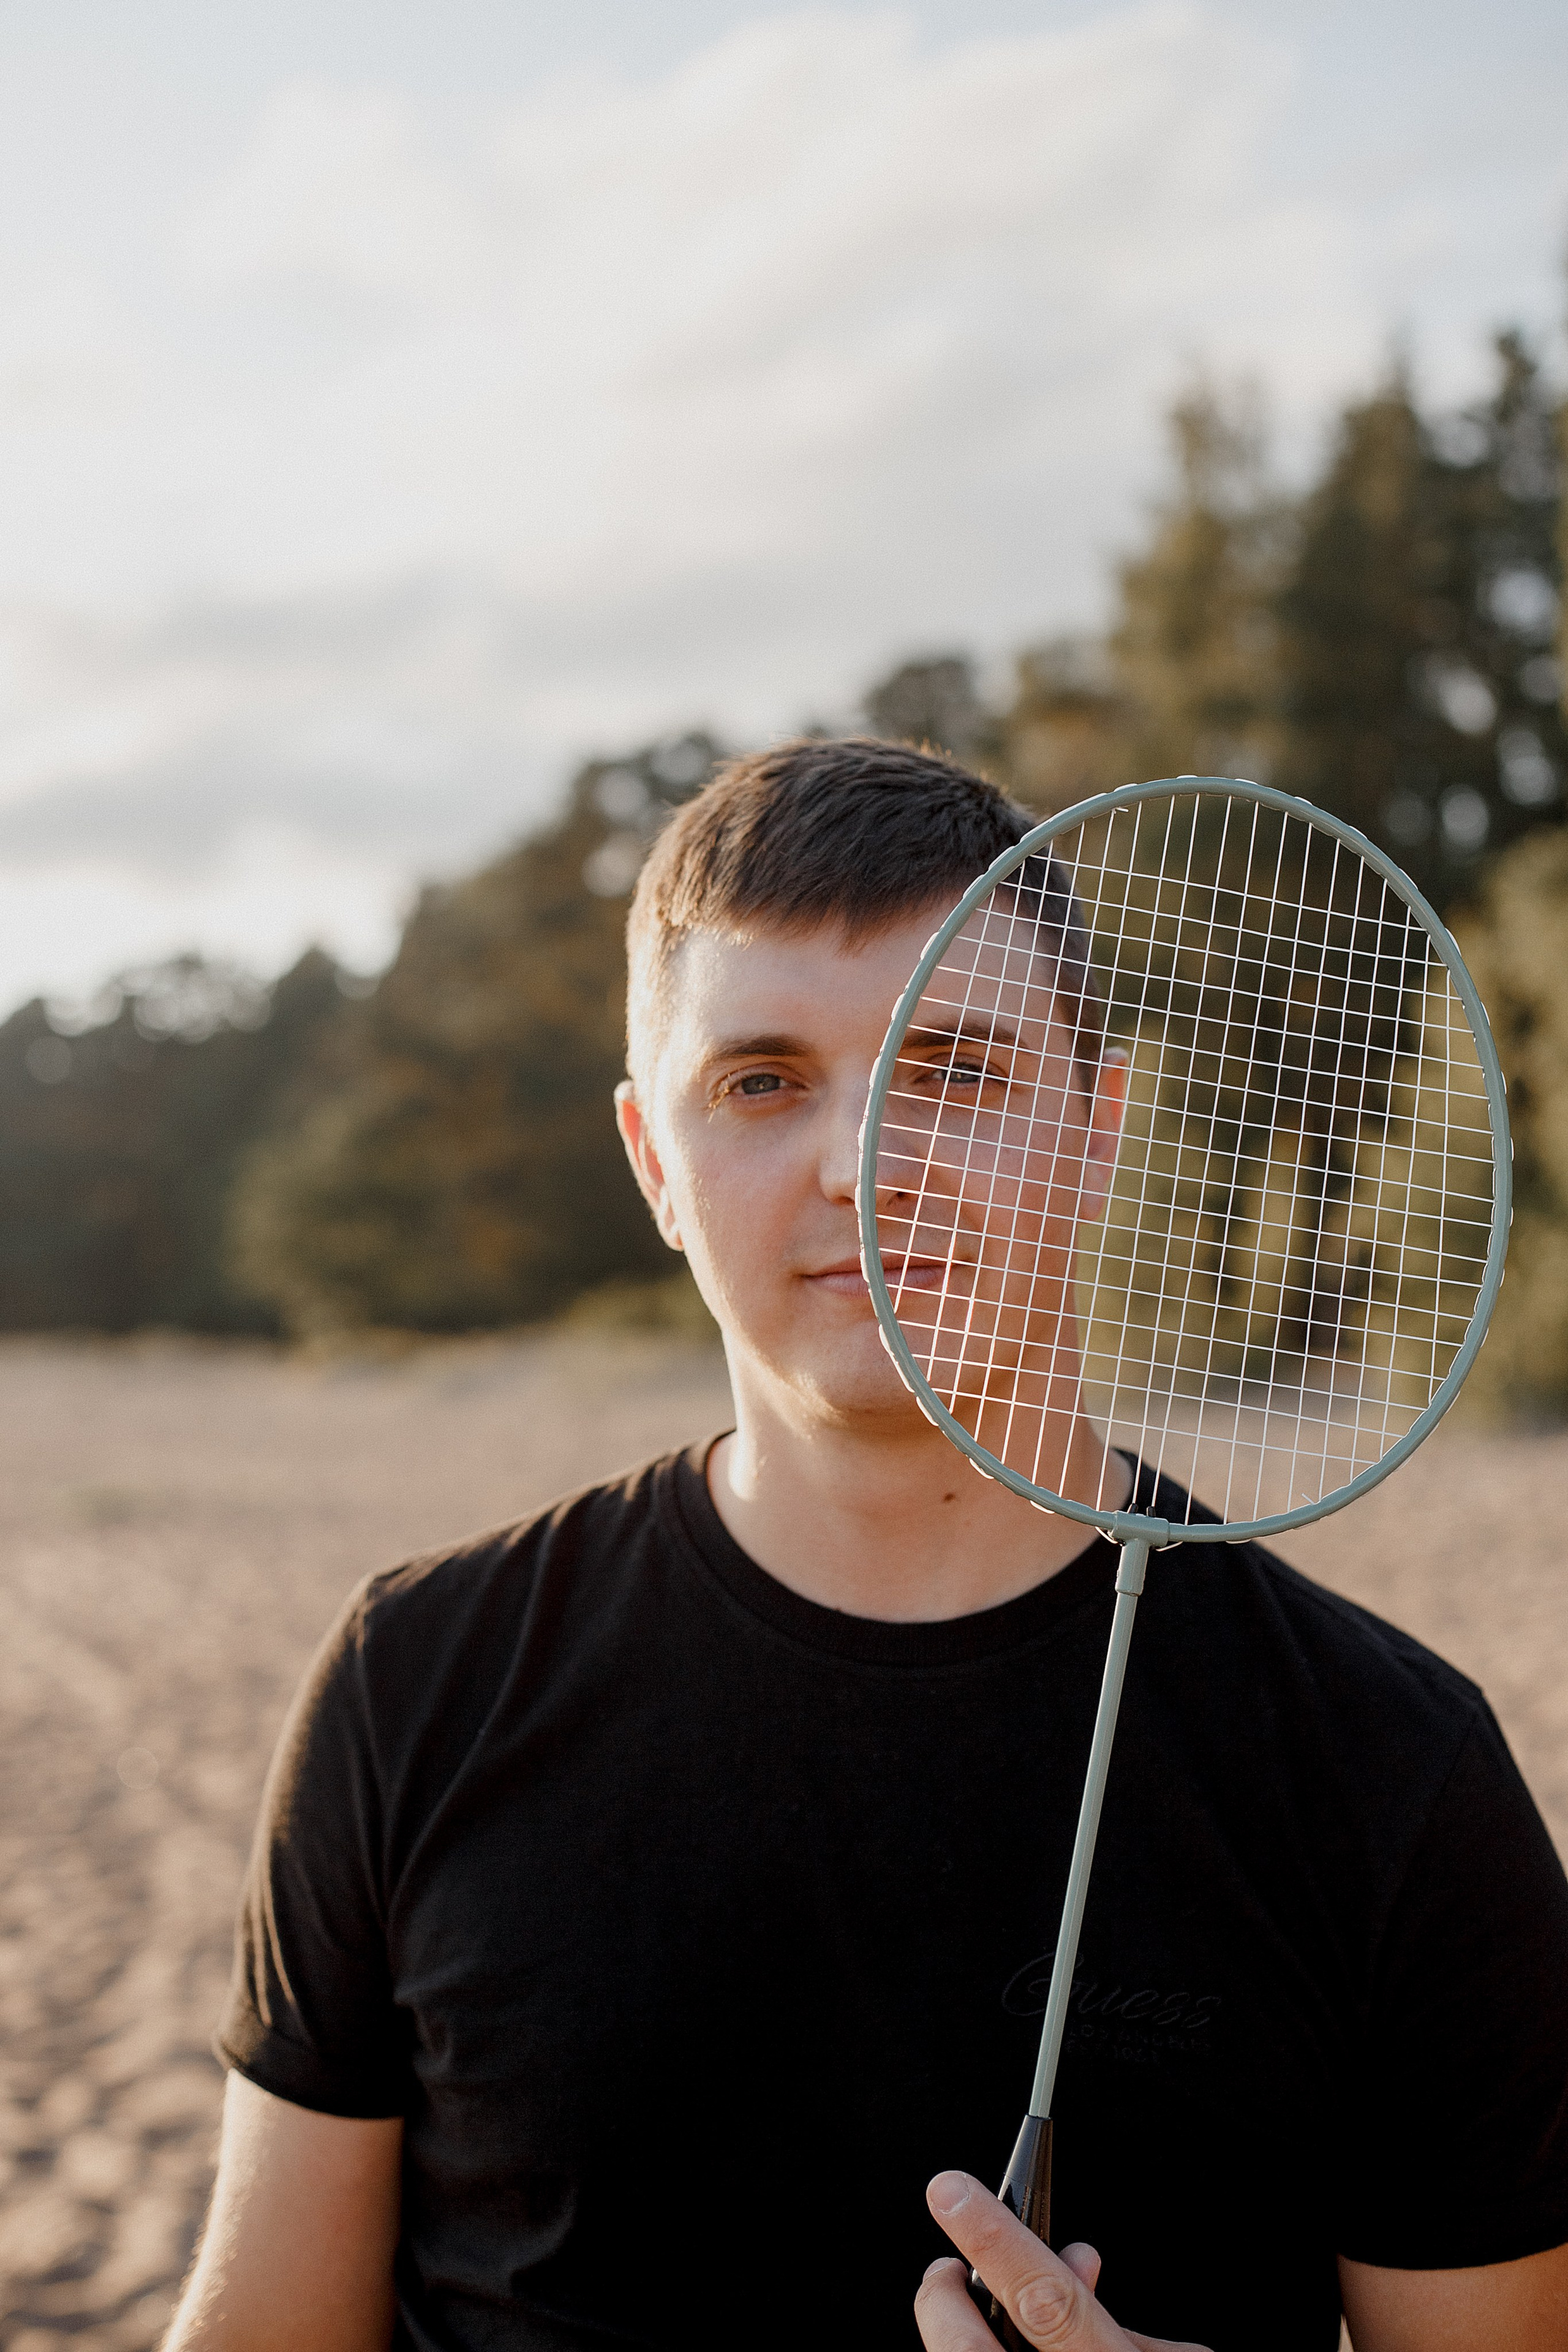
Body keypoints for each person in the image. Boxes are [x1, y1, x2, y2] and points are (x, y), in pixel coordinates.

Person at [165, 741, 1568, 2352]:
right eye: (762, 1082)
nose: (862, 1167)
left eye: (956, 1070)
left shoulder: (1393, 1774)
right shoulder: (414, 1686)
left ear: (1099, 1130)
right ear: (653, 1166)